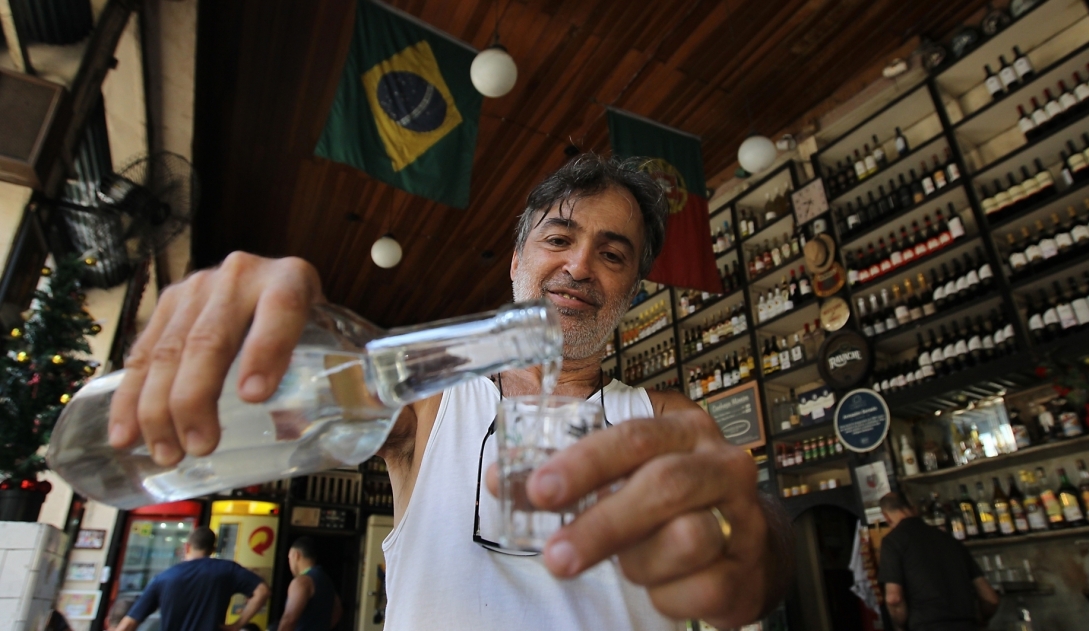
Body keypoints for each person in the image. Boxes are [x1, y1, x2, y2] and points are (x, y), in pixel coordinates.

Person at [105, 154, 793, 629]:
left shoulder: (663, 419)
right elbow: (290, 409)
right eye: (559, 238)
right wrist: (255, 348)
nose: (580, 264)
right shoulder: (428, 403)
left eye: (612, 254)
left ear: (631, 292)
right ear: (518, 260)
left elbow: (759, 570)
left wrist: (746, 545)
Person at [878, 493, 1000, 631]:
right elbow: (991, 598)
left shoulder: (893, 542)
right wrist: (982, 620)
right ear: (914, 509)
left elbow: (894, 598)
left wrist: (900, 626)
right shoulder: (950, 540)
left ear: (886, 517)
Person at [114, 527, 270, 631]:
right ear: (213, 549)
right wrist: (237, 625)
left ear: (187, 547)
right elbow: (262, 591)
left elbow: (129, 623)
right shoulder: (227, 570)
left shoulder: (162, 578)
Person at [276, 537, 342, 631]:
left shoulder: (301, 582)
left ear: (296, 555)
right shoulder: (326, 580)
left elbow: (289, 619)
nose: (289, 563)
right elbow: (338, 611)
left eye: (289, 558)